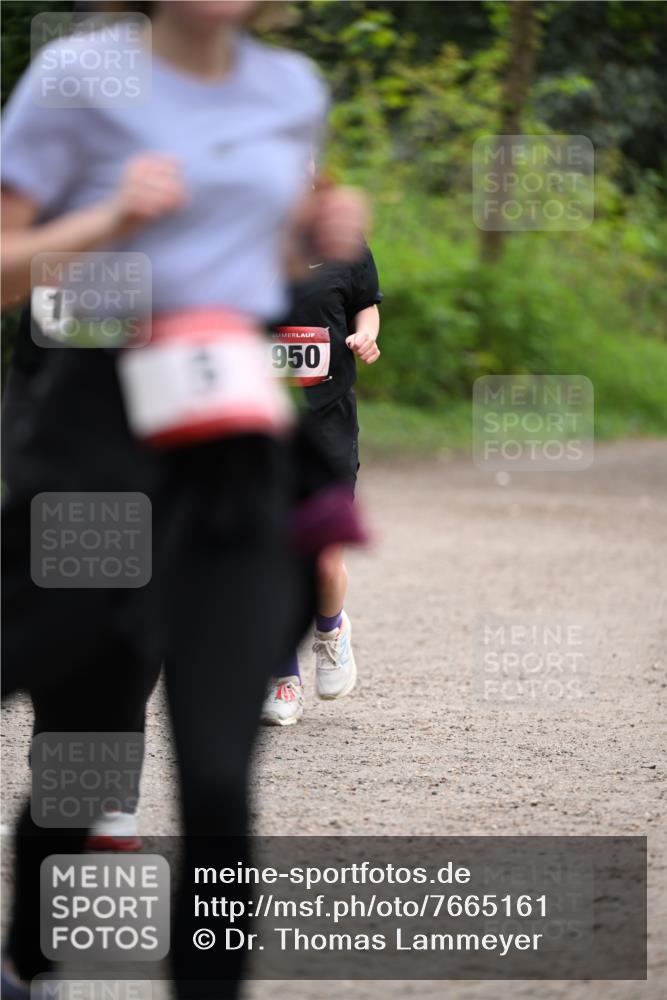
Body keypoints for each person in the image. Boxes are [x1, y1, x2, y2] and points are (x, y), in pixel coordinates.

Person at [1, 3, 367, 998]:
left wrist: (312, 245)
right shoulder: (79, 76)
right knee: (81, 751)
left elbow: (258, 275)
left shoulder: (288, 90)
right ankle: (29, 965)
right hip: (96, 445)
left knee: (216, 776)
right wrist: (108, 223)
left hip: (233, 454)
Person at [261, 236, 382, 725]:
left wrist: (366, 336)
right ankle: (282, 680)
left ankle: (330, 632)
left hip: (327, 421)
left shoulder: (343, 241)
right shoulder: (238, 233)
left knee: (322, 555)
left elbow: (366, 307)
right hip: (260, 420)